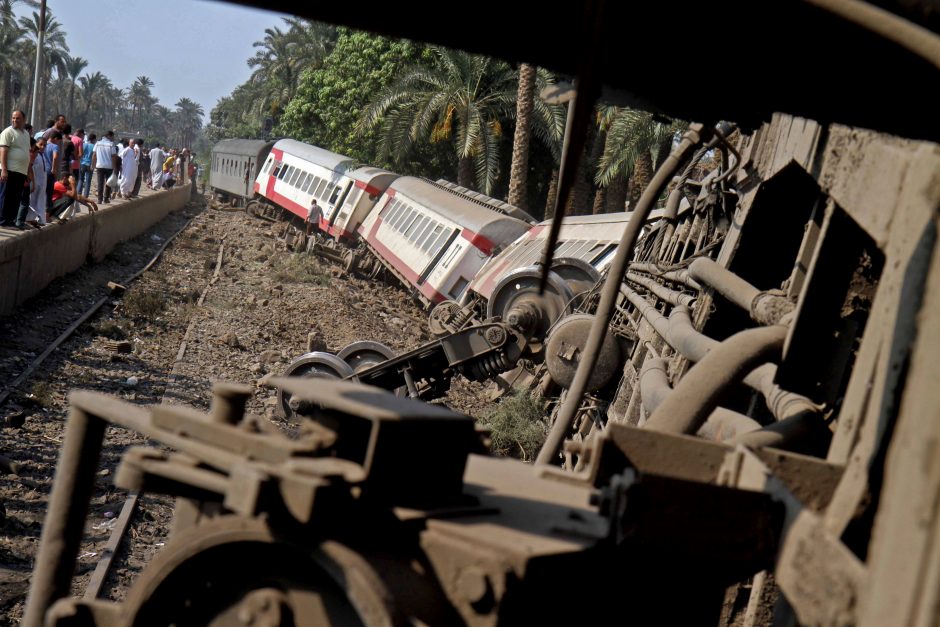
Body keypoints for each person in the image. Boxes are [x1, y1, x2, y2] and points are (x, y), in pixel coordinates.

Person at [0, 109, 31, 228]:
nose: (15, 120)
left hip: (21, 172)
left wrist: (28, 172)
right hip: (9, 170)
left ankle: (10, 220)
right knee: (5, 196)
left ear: (24, 120)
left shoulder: (26, 134)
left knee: (15, 197)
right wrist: (4, 169)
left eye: (17, 118)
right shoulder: (8, 132)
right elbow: (3, 151)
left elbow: (26, 153)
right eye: (13, 118)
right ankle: (2, 220)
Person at [91, 130, 118, 204]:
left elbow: (94, 155)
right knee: (108, 183)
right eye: (112, 136)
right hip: (109, 166)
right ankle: (106, 198)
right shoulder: (111, 144)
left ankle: (99, 199)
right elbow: (113, 157)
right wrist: (114, 167)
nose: (113, 138)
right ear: (109, 136)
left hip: (99, 166)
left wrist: (93, 165)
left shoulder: (97, 143)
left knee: (100, 183)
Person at [78, 133, 96, 197]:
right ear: (94, 139)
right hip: (89, 164)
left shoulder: (83, 145)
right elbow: (94, 157)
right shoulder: (94, 146)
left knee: (80, 179)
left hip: (82, 163)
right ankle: (86, 196)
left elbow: (80, 154)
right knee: (88, 181)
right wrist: (93, 165)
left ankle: (78, 194)